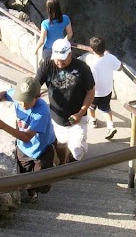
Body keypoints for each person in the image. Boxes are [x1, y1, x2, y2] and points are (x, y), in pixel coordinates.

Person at [0, 76, 56, 203]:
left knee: (41, 182)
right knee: (25, 174)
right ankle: (32, 194)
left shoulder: (42, 111)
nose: (23, 105)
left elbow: (26, 137)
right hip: (24, 149)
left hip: (42, 149)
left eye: (28, 101)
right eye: (20, 101)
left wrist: (3, 126)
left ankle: (44, 183)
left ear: (38, 96)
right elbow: (4, 94)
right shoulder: (16, 95)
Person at [35, 37, 95, 165]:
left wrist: (81, 112)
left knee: (77, 149)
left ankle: (72, 163)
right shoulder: (47, 65)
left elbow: (91, 92)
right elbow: (33, 86)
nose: (59, 62)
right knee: (60, 144)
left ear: (70, 54)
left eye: (62, 59)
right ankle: (63, 163)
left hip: (78, 118)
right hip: (56, 118)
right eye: (56, 58)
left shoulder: (82, 68)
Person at [82, 37, 122, 140]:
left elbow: (91, 81)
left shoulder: (93, 64)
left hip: (95, 93)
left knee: (91, 107)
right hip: (107, 90)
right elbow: (120, 67)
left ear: (92, 49)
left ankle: (93, 120)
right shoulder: (110, 57)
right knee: (106, 108)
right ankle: (111, 126)